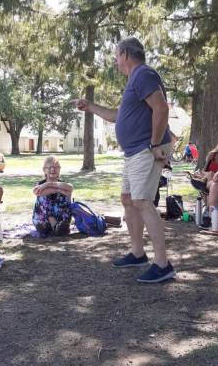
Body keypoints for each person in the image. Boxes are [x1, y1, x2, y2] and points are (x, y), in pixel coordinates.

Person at [75, 37, 175, 283]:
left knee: (142, 201)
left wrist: (153, 145)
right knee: (128, 199)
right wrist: (90, 107)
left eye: (116, 55)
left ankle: (162, 264)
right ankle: (138, 253)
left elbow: (161, 109)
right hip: (134, 152)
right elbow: (116, 116)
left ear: (125, 54)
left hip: (146, 149)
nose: (115, 61)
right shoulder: (135, 80)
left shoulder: (143, 75)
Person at [32, 156, 73, 237]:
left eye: (56, 167)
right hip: (43, 223)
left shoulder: (63, 184)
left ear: (59, 170)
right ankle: (54, 225)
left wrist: (49, 184)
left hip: (62, 223)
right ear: (44, 170)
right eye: (50, 167)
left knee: (65, 196)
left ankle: (59, 226)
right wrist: (58, 190)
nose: (53, 169)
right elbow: (37, 191)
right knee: (43, 196)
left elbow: (70, 188)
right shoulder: (40, 185)